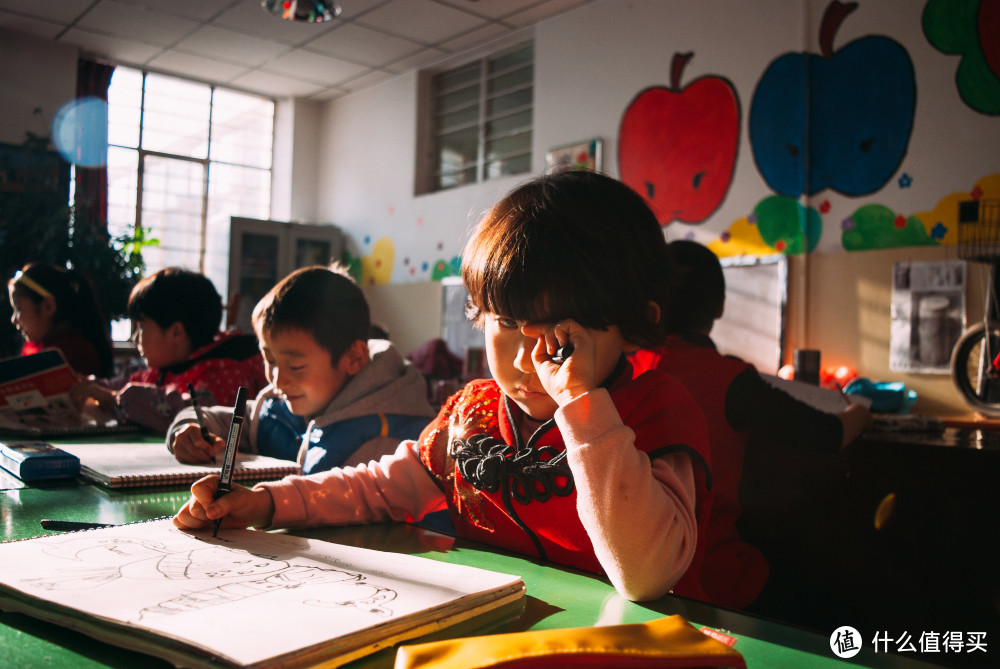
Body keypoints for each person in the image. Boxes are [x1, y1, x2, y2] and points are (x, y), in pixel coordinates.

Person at [173, 171, 714, 603]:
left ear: (632, 323)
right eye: (506, 323)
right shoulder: (474, 411)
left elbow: (646, 575)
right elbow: (378, 488)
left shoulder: (655, 410)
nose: (530, 358)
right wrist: (264, 504)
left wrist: (583, 408)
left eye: (562, 333)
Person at [629, 239, 872, 610]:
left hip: (630, 564)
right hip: (709, 572)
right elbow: (828, 434)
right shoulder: (731, 378)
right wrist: (861, 410)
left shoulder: (627, 367)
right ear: (721, 306)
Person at [167, 264, 437, 475]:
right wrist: (191, 429)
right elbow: (219, 418)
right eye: (270, 361)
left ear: (353, 358)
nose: (279, 381)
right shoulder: (284, 407)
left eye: (296, 365)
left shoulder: (389, 442)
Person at [71, 268, 268, 433]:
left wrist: (115, 400)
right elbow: (125, 383)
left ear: (176, 333)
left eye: (141, 326)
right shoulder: (169, 367)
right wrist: (86, 384)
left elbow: (192, 413)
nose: (135, 337)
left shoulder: (226, 374)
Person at [7, 263, 114, 377]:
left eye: (18, 309)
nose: (13, 320)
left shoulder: (77, 355)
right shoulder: (33, 349)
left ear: (48, 307)